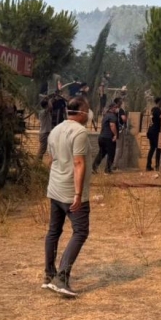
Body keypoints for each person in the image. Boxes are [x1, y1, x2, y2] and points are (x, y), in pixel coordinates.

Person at [43, 97, 92, 297]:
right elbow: (79, 163)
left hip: (55, 188)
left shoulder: (55, 130)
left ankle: (49, 274)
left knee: (54, 231)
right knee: (80, 231)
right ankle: (61, 277)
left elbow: (51, 159)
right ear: (80, 111)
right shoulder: (80, 132)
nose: (89, 114)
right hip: (70, 191)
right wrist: (78, 194)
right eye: (87, 110)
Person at [93, 103, 118, 174]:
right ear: (112, 108)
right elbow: (112, 125)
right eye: (115, 108)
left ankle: (94, 167)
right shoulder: (112, 116)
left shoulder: (106, 115)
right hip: (109, 138)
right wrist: (115, 135)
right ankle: (108, 170)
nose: (116, 109)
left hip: (102, 137)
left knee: (101, 153)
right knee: (111, 153)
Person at [146, 97, 161, 171]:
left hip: (150, 130)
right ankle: (157, 166)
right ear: (159, 102)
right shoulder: (157, 110)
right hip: (155, 131)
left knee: (152, 148)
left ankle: (148, 165)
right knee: (158, 148)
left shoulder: (153, 109)